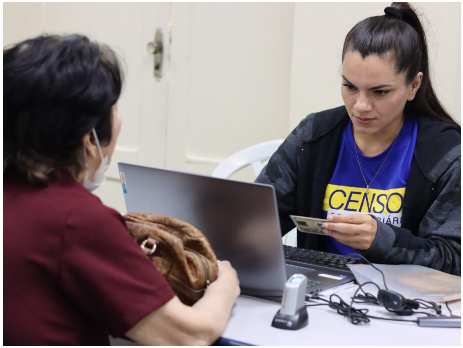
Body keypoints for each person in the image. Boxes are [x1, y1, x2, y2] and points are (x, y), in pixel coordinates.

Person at [4, 34, 240, 345]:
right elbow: (189, 335)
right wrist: (226, 283)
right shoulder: (77, 220)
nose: (119, 119)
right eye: (114, 109)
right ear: (90, 138)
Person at [256, 2, 461, 276]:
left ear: (413, 85)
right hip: (320, 294)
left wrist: (382, 239)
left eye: (380, 92)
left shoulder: (445, 154)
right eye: (350, 87)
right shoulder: (313, 136)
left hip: (403, 304)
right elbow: (256, 222)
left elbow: (453, 261)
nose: (360, 106)